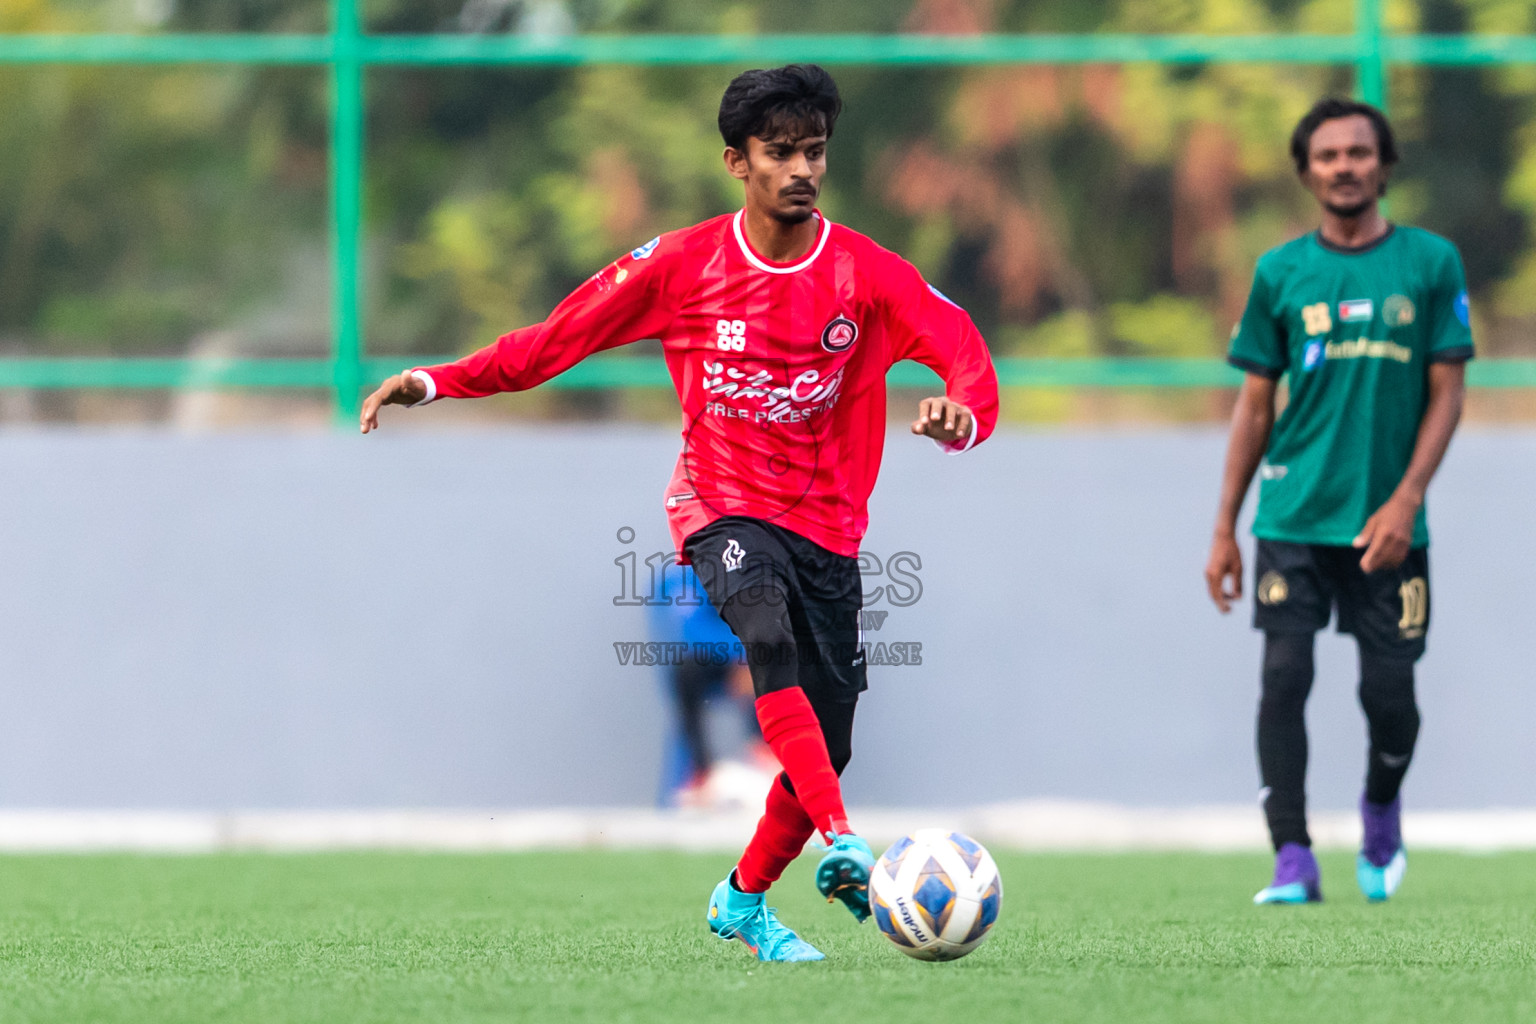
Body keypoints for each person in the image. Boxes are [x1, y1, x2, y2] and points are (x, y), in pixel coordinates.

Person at [361, 64, 999, 960]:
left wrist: (962, 418)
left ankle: (742, 900)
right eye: (780, 153)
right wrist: (438, 381)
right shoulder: (682, 266)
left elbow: (967, 355)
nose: (801, 170)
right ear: (737, 162)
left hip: (827, 527)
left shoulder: (868, 275)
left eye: (814, 151)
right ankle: (843, 841)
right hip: (721, 506)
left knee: (834, 732)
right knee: (764, 636)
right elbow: (553, 341)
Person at [1205, 97, 1473, 905]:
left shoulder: (1430, 262)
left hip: (1391, 527)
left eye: (1359, 153)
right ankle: (1292, 857)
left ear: (1384, 167)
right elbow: (1255, 406)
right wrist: (1224, 526)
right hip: (1291, 519)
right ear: (1307, 173)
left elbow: (1449, 392)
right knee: (1284, 678)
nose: (1344, 166)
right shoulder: (1281, 271)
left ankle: (1381, 808)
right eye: (1328, 156)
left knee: (1389, 695)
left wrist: (1405, 501)